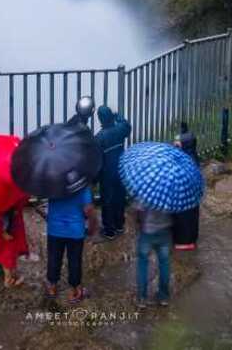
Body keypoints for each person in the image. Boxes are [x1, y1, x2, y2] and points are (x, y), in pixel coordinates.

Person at [44, 184, 95, 303]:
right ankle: (75, 291)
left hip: (55, 229)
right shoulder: (82, 184)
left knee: (54, 258)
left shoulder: (52, 182)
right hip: (75, 230)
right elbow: (88, 209)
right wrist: (92, 226)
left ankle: (52, 287)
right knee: (75, 260)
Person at [93, 105, 131, 240]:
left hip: (107, 174)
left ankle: (109, 231)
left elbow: (96, 161)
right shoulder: (120, 129)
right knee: (120, 197)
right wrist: (117, 116)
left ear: (100, 119)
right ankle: (119, 225)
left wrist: (94, 179)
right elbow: (127, 125)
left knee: (107, 201)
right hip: (121, 170)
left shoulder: (98, 138)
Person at [132, 197, 173, 306]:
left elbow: (138, 210)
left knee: (142, 263)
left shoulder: (146, 188)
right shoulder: (170, 189)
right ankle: (163, 297)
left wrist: (138, 225)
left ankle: (142, 298)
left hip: (147, 231)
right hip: (165, 230)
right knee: (164, 263)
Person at [171, 122, 200, 251]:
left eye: (177, 144)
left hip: (185, 197)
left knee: (184, 219)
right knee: (189, 218)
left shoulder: (187, 162)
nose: (174, 145)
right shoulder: (189, 156)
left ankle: (185, 242)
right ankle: (188, 239)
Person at [0, 199, 29, 287]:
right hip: (9, 228)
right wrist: (4, 231)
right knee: (7, 253)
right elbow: (21, 202)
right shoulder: (13, 193)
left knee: (0, 250)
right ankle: (8, 279)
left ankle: (1, 274)